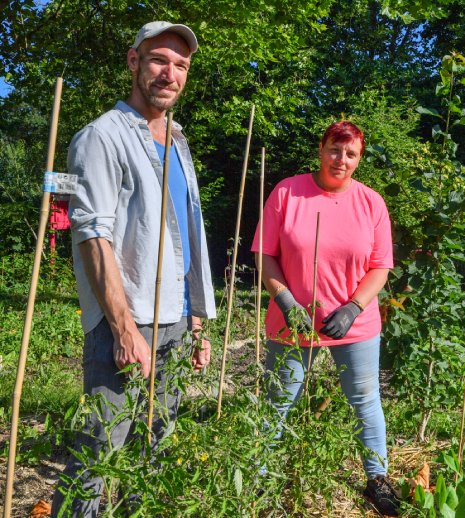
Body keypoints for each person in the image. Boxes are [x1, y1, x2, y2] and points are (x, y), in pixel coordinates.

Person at [51, 21, 216, 516]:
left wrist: (197, 321)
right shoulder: (101, 137)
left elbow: (185, 238)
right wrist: (123, 329)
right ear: (133, 62)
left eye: (181, 65)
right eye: (159, 60)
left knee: (154, 449)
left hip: (176, 320)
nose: (170, 73)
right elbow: (92, 234)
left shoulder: (178, 141)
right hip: (127, 320)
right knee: (99, 452)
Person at [252, 120, 401, 516]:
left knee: (365, 400)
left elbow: (381, 267)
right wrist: (286, 301)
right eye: (335, 149)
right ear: (321, 150)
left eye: (351, 153)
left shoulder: (371, 202)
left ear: (359, 159)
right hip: (291, 321)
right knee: (278, 401)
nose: (341, 159)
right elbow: (265, 254)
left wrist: (353, 307)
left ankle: (377, 480)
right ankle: (259, 479)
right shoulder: (288, 192)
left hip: (354, 324)